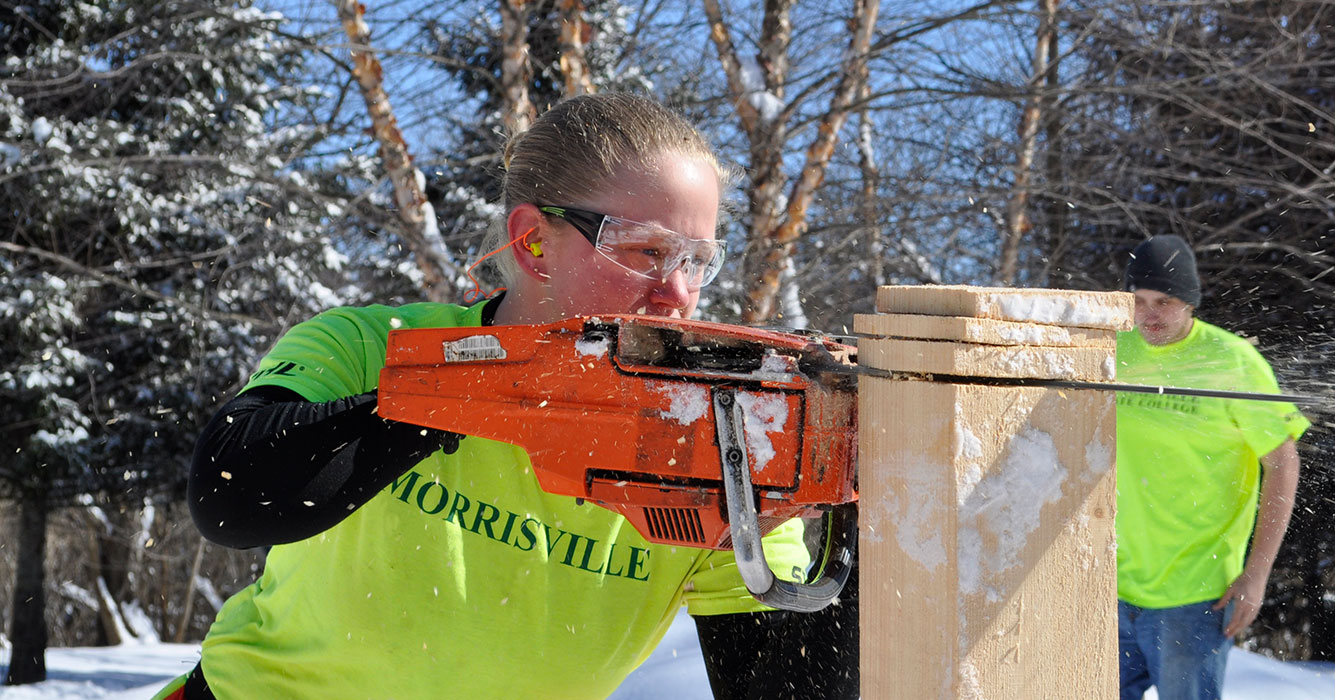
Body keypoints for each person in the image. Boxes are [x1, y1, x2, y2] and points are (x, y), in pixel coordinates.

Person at [152, 93, 847, 700]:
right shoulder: (370, 347)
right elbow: (232, 498)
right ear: (534, 243)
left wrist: (865, 512)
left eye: (696, 260)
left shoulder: (713, 434)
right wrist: (495, 391)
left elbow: (786, 687)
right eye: (645, 252)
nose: (678, 292)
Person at [1113, 235, 1311, 700]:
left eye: (1164, 300)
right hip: (1110, 586)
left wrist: (1257, 573)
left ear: (1191, 301)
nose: (1150, 315)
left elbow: (1282, 463)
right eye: (1139, 301)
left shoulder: (1232, 362)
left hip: (1195, 596)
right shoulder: (1113, 350)